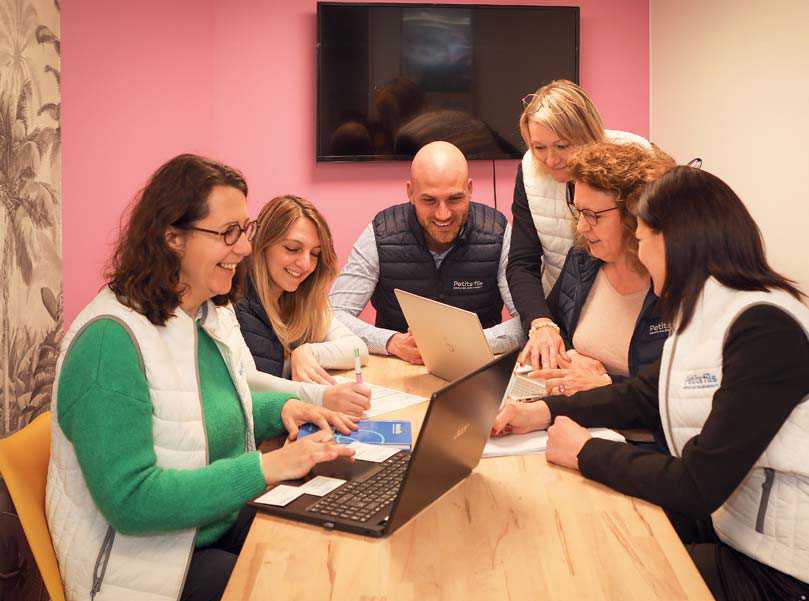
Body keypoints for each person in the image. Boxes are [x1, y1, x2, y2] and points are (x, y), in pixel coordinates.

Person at [46, 155, 359, 601]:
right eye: (227, 233)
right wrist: (267, 466)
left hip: (203, 531)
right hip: (145, 566)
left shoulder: (202, 313)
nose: (245, 249)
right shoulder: (109, 343)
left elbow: (207, 405)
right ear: (172, 237)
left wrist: (284, 408)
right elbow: (131, 501)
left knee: (329, 542)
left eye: (245, 231)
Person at [492, 166, 809, 600]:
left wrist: (585, 451)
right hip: (733, 527)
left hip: (780, 571)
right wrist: (543, 411)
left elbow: (697, 485)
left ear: (674, 241)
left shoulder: (764, 328)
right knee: (588, 529)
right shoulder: (709, 311)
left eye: (642, 238)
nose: (639, 252)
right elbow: (644, 394)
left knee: (605, 573)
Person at [330, 140, 523, 364]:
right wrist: (391, 342)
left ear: (470, 190)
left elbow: (529, 319)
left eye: (454, 198)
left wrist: (467, 343)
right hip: (397, 370)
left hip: (477, 368)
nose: (443, 214)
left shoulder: (498, 232)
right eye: (429, 200)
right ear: (410, 193)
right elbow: (334, 313)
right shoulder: (381, 232)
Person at [507, 79, 650, 370]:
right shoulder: (531, 174)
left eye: (562, 145)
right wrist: (541, 322)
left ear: (588, 135)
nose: (551, 159)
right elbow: (522, 262)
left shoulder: (633, 159)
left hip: (626, 303)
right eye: (539, 147)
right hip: (567, 310)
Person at [534, 142, 674, 402]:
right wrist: (571, 355)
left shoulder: (674, 281)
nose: (581, 228)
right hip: (580, 418)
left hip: (641, 437)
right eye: (579, 212)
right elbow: (556, 328)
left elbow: (677, 392)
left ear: (634, 215)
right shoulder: (582, 261)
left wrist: (605, 385)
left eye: (593, 215)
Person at [235, 195, 370, 403]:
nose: (306, 264)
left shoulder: (305, 297)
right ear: (262, 244)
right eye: (292, 249)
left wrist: (307, 352)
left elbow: (357, 349)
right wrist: (321, 397)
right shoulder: (233, 300)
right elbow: (248, 382)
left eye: (315, 253)